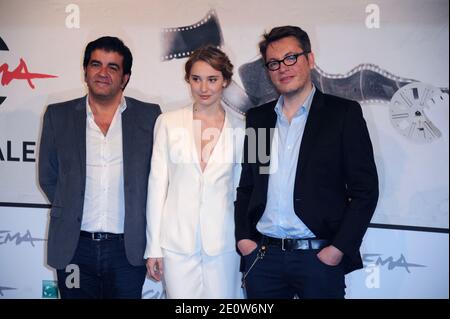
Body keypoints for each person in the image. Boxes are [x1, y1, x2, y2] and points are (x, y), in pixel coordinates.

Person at [234, 26, 379, 299]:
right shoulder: (259, 119)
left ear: (310, 59)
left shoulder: (342, 114)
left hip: (319, 259)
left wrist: (337, 250)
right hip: (263, 259)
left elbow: (365, 191)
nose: (283, 68)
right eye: (274, 63)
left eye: (291, 57)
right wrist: (243, 238)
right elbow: (247, 186)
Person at [38, 36, 161, 298]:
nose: (103, 73)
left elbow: (159, 178)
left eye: (112, 67)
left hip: (128, 250)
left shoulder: (150, 117)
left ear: (125, 77)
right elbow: (48, 176)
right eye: (96, 64)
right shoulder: (57, 115)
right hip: (74, 249)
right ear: (85, 70)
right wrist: (69, 206)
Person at [145, 45, 244, 299]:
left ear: (226, 81)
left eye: (212, 79)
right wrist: (153, 246)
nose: (203, 88)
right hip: (177, 244)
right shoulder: (167, 122)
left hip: (225, 244)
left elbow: (243, 192)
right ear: (188, 80)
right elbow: (157, 187)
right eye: (196, 79)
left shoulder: (244, 129)